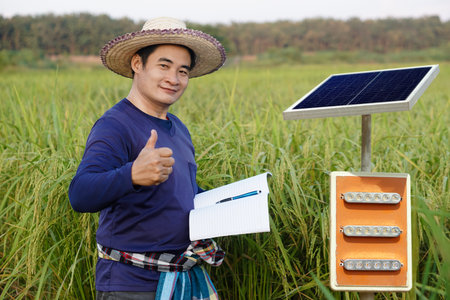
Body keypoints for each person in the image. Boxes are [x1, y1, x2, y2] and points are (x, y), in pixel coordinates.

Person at [68, 17, 226, 300]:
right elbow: (80, 194)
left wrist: (227, 203)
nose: (173, 79)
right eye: (163, 66)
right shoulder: (115, 125)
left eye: (183, 71)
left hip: (182, 279)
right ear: (137, 64)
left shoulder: (178, 128)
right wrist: (131, 175)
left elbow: (180, 193)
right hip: (131, 286)